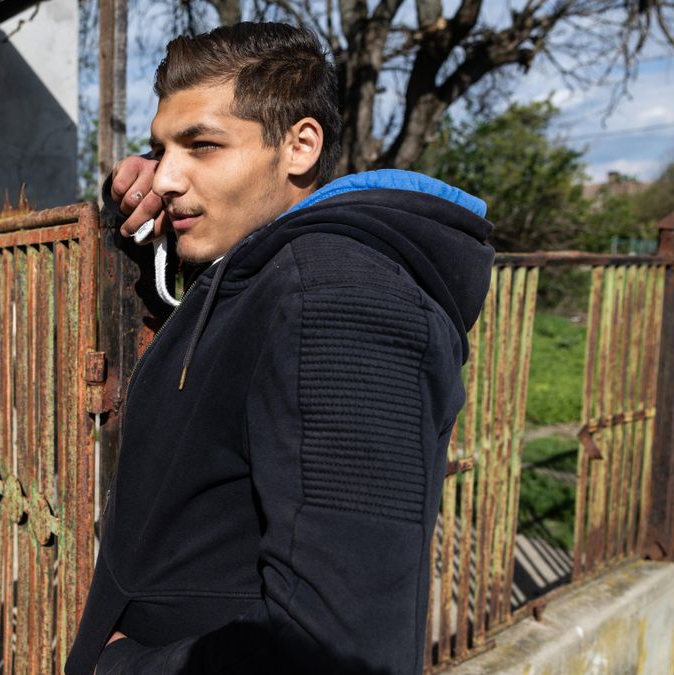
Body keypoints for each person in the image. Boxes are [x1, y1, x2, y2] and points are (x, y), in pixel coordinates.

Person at [66, 22, 494, 674]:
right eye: (161, 149)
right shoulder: (272, 271)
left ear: (299, 146)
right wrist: (143, 233)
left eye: (202, 145)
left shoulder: (337, 300)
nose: (168, 176)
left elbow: (339, 652)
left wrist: (122, 667)